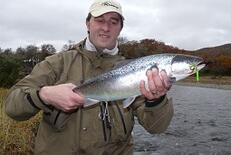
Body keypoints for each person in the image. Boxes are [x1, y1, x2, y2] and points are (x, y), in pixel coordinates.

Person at [5, 0, 174, 154]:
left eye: (113, 22)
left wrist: (156, 101)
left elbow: (156, 127)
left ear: (120, 28)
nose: (106, 28)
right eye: (100, 20)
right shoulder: (57, 63)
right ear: (88, 23)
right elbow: (12, 107)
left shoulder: (137, 71)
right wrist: (44, 95)